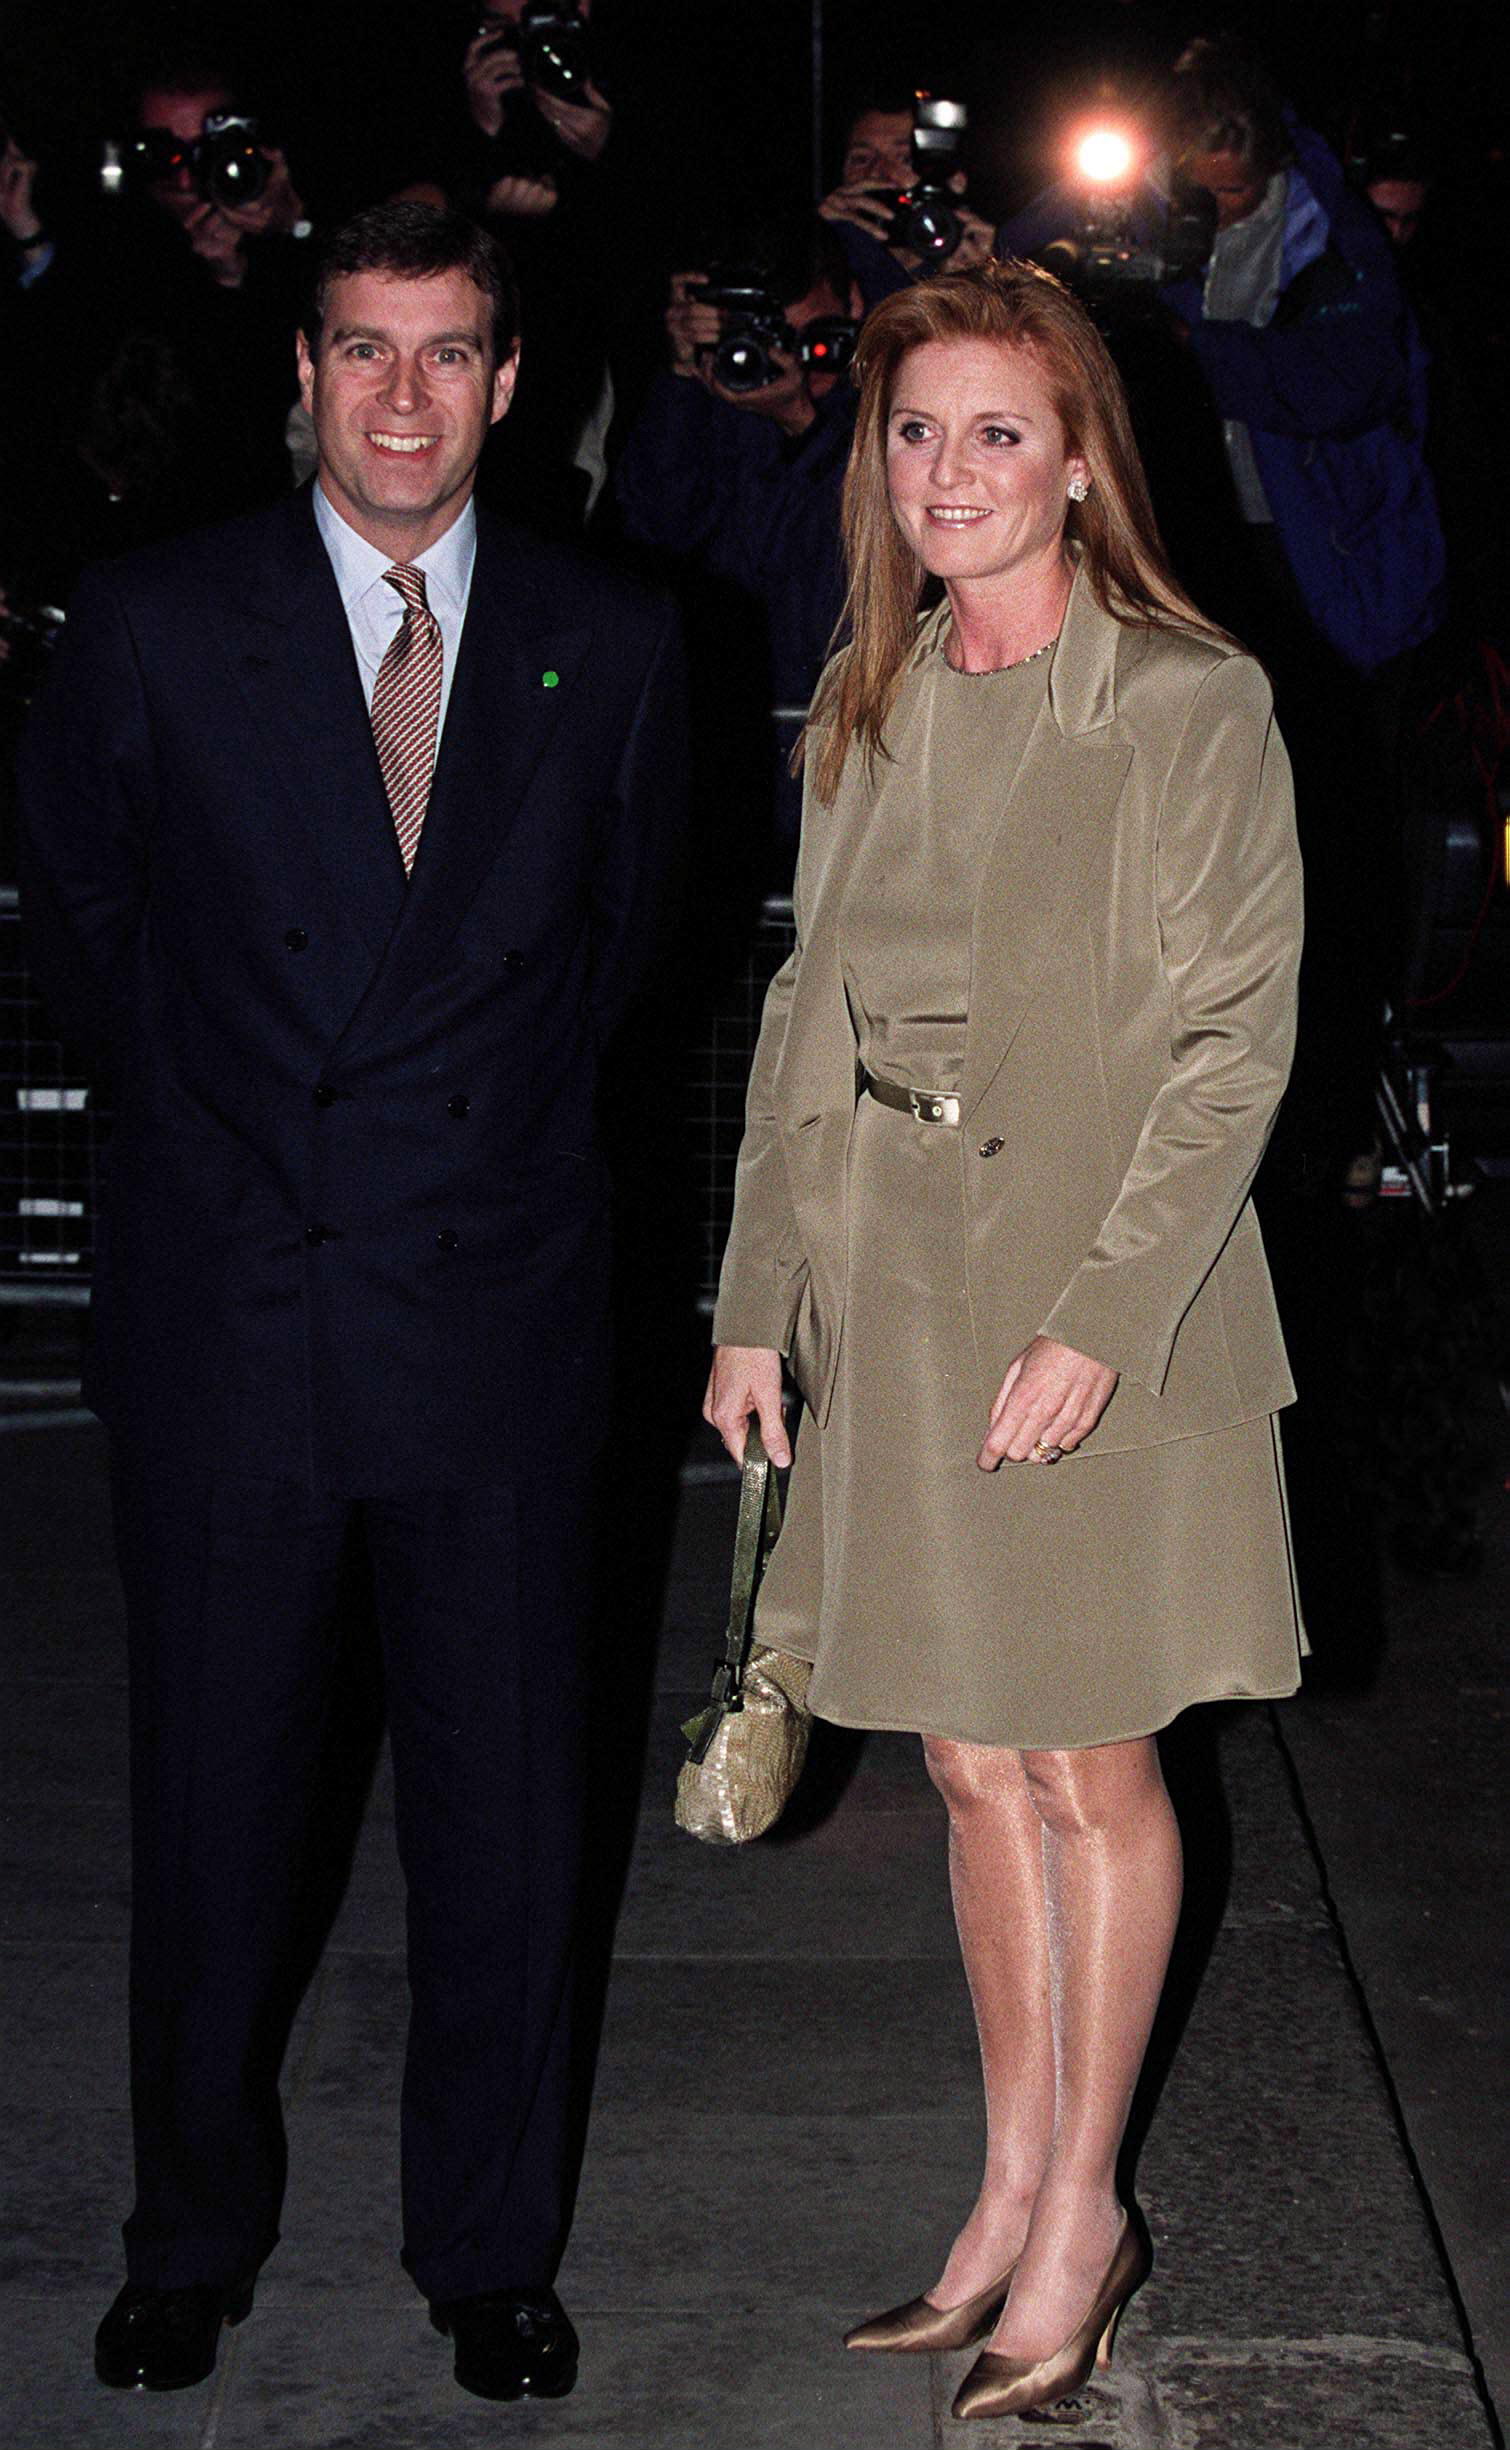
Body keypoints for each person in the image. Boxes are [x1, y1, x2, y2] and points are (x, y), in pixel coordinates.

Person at [19, 200, 685, 2405]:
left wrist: (465, 1166)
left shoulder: (615, 631)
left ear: (511, 382)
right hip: (239, 1305)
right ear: (296, 372)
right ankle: (186, 2233)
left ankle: (487, 2245)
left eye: (449, 352)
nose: (403, 394)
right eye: (362, 350)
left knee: (507, 1825)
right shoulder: (146, 621)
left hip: (495, 1313)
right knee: (216, 1817)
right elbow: (96, 930)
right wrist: (240, 1159)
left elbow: (626, 967)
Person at [705, 258, 1304, 2425]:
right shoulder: (866, 697)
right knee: (965, 1760)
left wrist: (1095, 1316)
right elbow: (803, 1017)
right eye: (911, 431)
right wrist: (755, 1293)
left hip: (1087, 1293)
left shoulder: (1181, 702)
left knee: (1081, 1758)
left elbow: (1233, 1048)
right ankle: (1003, 2188)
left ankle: (1084, 2212)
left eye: (991, 433)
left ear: (1075, 466)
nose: (944, 472)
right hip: (890, 1285)